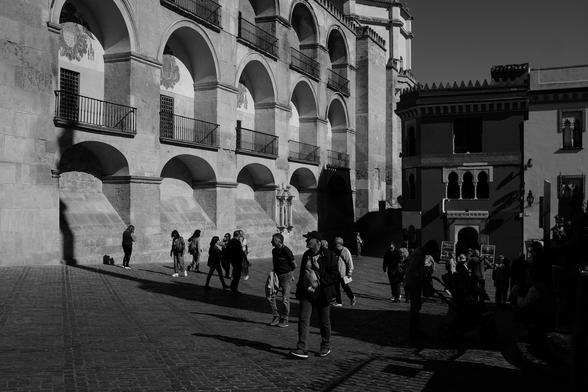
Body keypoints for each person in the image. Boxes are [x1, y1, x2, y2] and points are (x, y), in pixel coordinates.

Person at [290, 231, 340, 359]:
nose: (306, 241)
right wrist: (299, 289)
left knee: (324, 321)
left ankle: (325, 345)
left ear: (317, 242)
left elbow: (335, 275)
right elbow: (302, 273)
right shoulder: (307, 254)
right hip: (307, 293)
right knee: (303, 319)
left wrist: (319, 277)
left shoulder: (329, 255)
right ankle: (302, 348)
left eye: (309, 239)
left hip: (322, 294)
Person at [404, 240, 439, 340]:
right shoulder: (419, 255)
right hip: (413, 283)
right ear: (428, 248)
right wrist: (422, 278)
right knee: (415, 308)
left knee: (416, 307)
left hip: (414, 283)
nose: (430, 254)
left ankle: (415, 331)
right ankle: (413, 333)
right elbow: (413, 270)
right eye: (431, 251)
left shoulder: (420, 253)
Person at [267, 233, 296, 328]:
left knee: (285, 299)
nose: (271, 242)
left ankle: (285, 318)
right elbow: (275, 264)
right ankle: (276, 316)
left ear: (278, 241)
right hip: (276, 275)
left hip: (286, 276)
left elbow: (294, 264)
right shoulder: (274, 251)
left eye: (273, 240)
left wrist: (290, 274)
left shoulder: (286, 251)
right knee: (271, 296)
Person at [333, 237, 356, 307]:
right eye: (335, 243)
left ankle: (352, 297)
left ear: (340, 244)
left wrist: (350, 272)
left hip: (343, 273)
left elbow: (350, 262)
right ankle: (339, 302)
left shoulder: (345, 250)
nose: (335, 245)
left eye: (336, 243)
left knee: (345, 287)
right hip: (336, 273)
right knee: (336, 287)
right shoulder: (335, 250)